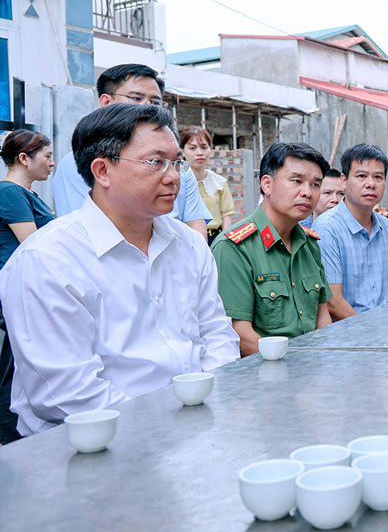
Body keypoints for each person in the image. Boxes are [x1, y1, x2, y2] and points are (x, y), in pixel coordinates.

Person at [0, 104, 239, 436]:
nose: (173, 177)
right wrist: (173, 428)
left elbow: (217, 334)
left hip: (200, 429)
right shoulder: (47, 261)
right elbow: (68, 395)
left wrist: (210, 405)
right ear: (102, 171)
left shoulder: (190, 245)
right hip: (90, 448)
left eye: (176, 162)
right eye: (156, 162)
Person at [52, 63, 211, 236]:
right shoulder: (77, 162)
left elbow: (196, 224)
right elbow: (87, 233)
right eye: (136, 98)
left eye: (155, 101)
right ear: (107, 102)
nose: (148, 107)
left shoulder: (177, 165)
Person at [212, 143, 332, 356]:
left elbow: (322, 317)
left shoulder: (310, 244)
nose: (307, 192)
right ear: (267, 184)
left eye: (315, 185)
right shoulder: (234, 247)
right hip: (264, 373)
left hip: (313, 367)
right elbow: (239, 334)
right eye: (297, 181)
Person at [0, 130, 56, 443]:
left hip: (26, 289)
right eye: (46, 156)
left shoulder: (28, 194)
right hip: (16, 291)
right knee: (15, 365)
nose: (51, 163)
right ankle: (8, 435)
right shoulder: (9, 192)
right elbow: (33, 246)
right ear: (24, 158)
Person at [314, 144, 388, 320]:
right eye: (361, 176)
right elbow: (333, 301)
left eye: (378, 177)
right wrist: (371, 334)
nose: (370, 184)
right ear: (344, 180)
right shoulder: (327, 228)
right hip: (348, 335)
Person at [180, 127, 235, 243]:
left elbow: (227, 216)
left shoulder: (219, 183)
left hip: (216, 239)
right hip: (187, 240)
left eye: (204, 147)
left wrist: (224, 242)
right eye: (192, 148)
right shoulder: (177, 183)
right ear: (182, 151)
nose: (199, 153)